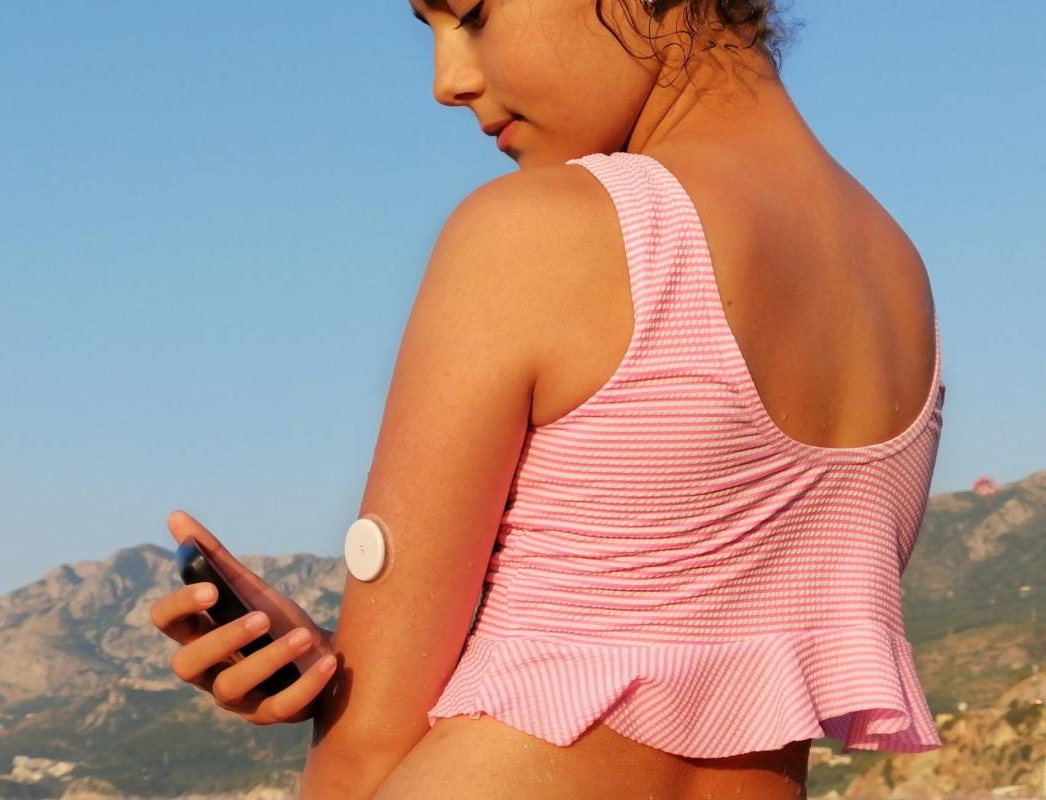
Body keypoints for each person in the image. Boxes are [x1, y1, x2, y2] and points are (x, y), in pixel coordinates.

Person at [150, 0, 946, 797]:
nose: (447, 82)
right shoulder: (897, 279)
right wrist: (336, 663)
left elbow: (369, 749)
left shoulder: (539, 232)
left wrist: (352, 711)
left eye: (472, 14)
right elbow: (676, 645)